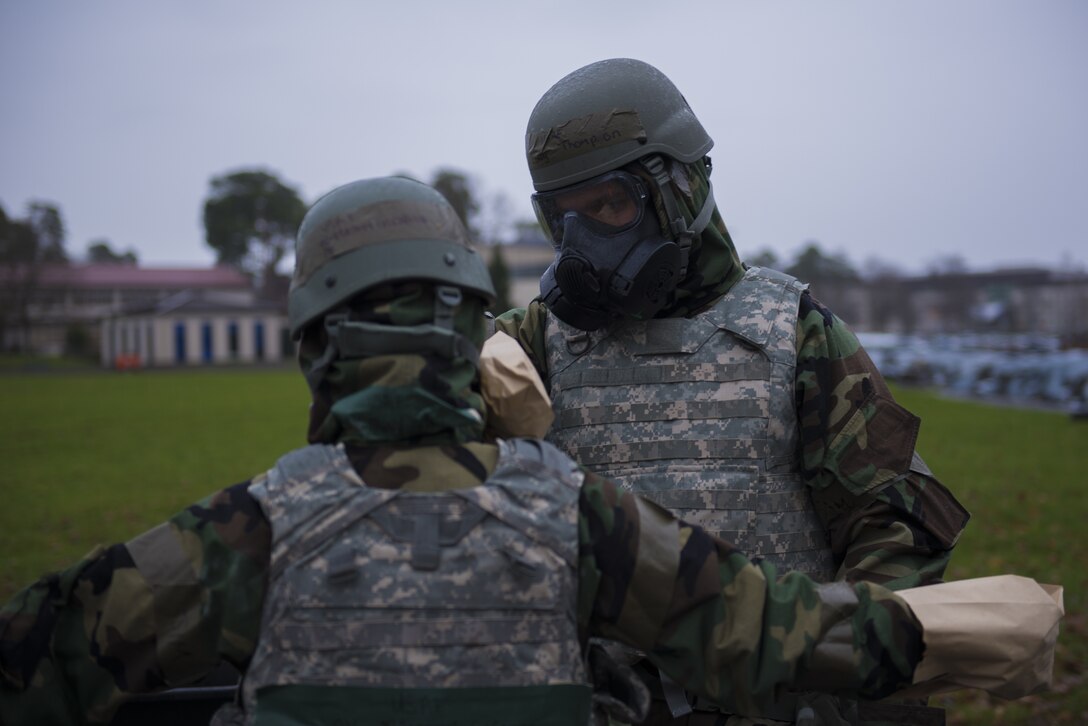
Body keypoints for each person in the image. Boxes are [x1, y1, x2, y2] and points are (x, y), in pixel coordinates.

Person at [0, 177, 928, 726]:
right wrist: (923, 634)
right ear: (476, 338)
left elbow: (40, 660)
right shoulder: (576, 515)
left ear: (315, 345)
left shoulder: (251, 531)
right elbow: (786, 633)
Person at [494, 58, 971, 725]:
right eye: (564, 218)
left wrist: (838, 671)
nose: (586, 243)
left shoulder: (793, 332)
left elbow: (897, 522)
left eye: (609, 205)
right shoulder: (532, 343)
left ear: (681, 185)